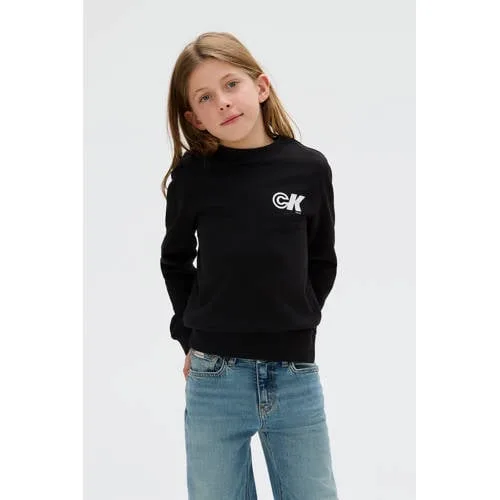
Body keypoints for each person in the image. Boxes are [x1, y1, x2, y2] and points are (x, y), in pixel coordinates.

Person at [160, 31, 340, 500]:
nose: (222, 101)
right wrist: (189, 336)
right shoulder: (192, 177)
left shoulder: (308, 169)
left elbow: (322, 259)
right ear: (193, 118)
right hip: (214, 378)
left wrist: (297, 317)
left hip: (295, 376)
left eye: (231, 84)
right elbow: (175, 260)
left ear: (260, 86)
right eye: (205, 97)